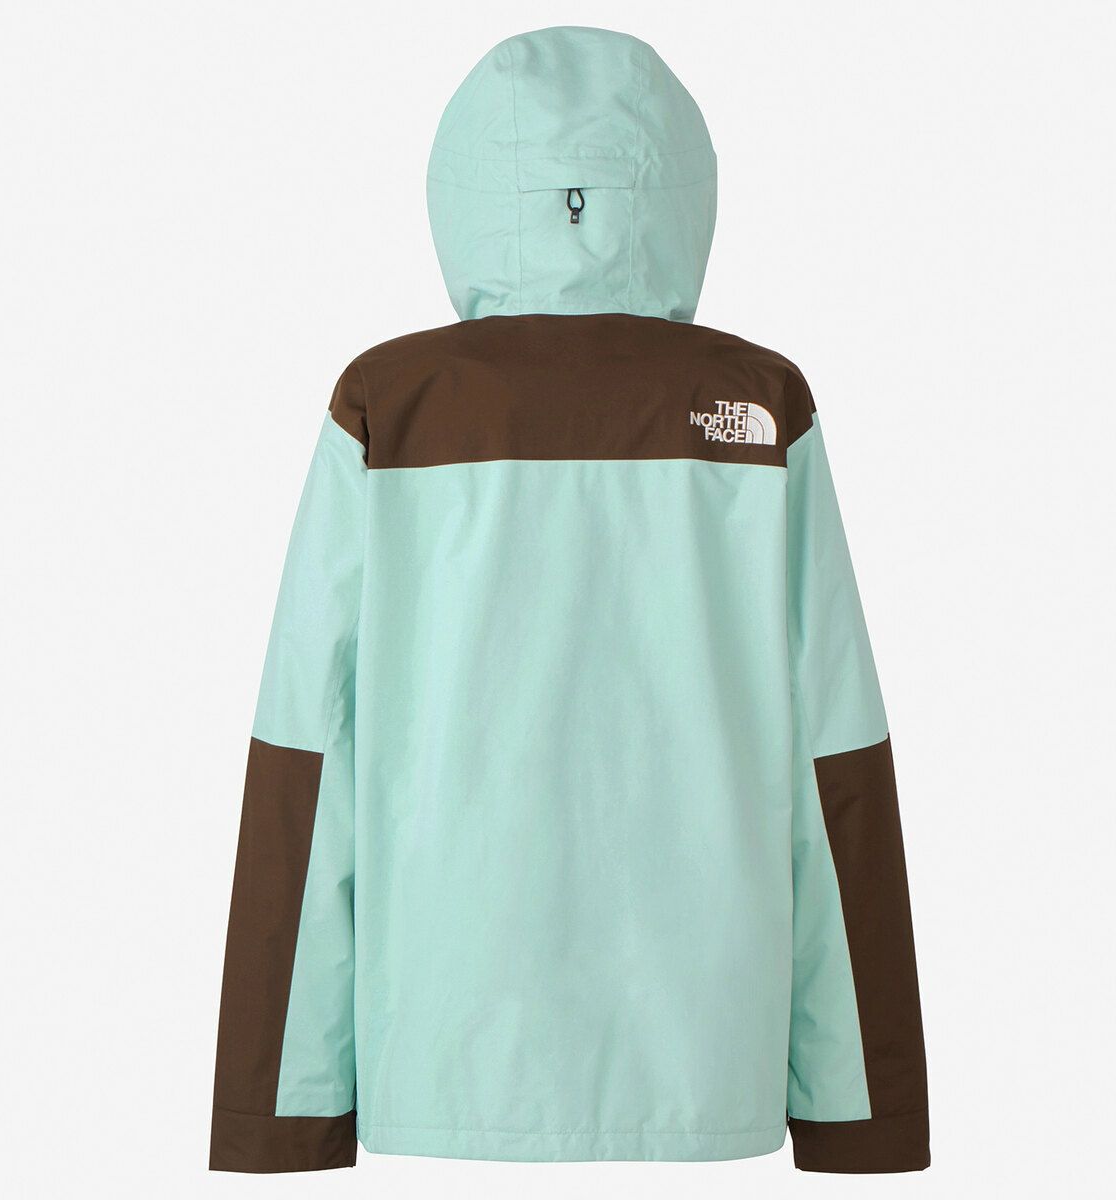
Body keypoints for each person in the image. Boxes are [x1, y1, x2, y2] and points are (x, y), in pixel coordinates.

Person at [210, 25, 929, 1174]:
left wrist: (276, 1110)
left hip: (443, 1054)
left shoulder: (386, 404)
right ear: (682, 192)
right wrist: (862, 1111)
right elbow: (831, 758)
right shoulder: (759, 407)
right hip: (705, 1057)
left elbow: (310, 755)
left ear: (463, 190)